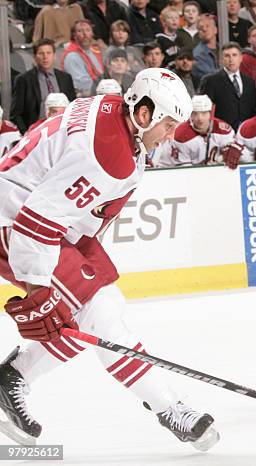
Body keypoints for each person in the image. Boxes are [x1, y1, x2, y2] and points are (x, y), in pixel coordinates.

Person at [0, 68, 220, 450]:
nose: (171, 136)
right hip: (14, 224)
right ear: (145, 113)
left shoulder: (112, 109)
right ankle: (169, 408)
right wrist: (39, 289)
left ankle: (12, 377)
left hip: (39, 216)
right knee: (96, 312)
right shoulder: (109, 153)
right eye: (168, 125)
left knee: (106, 307)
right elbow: (37, 220)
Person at [11, 38, 76, 134]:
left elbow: (74, 107)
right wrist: (26, 133)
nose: (45, 57)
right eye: (41, 53)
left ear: (54, 55)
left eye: (48, 53)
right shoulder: (23, 80)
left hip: (62, 130)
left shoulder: (66, 78)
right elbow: (15, 114)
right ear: (34, 56)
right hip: (35, 132)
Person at [153, 94, 235, 167]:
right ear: (190, 114)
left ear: (211, 113)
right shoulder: (180, 135)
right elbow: (184, 171)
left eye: (204, 113)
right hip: (171, 172)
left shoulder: (224, 130)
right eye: (195, 113)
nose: (200, 118)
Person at [198, 42, 256, 131]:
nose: (231, 59)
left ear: (241, 58)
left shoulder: (250, 82)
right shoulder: (211, 80)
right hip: (221, 133)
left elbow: (254, 110)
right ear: (222, 59)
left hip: (246, 133)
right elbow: (204, 109)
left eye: (234, 55)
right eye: (227, 56)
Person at [61, 20, 105, 97]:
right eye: (80, 31)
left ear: (92, 34)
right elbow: (83, 85)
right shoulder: (72, 56)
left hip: (99, 91)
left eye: (88, 30)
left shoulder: (95, 51)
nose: (85, 34)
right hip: (83, 97)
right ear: (74, 35)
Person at [192, 14, 219, 80]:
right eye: (201, 28)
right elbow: (212, 77)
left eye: (207, 26)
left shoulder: (224, 49)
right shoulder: (197, 55)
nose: (204, 29)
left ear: (215, 30)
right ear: (198, 34)